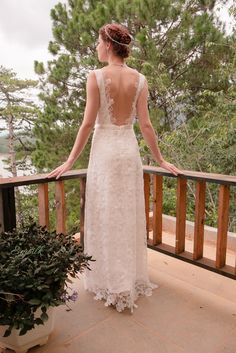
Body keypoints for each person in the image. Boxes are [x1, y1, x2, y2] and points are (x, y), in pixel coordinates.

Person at [47, 23, 182, 313]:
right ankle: (128, 278)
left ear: (108, 45)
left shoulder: (95, 77)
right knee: (128, 214)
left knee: (105, 214)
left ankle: (110, 279)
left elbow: (86, 123)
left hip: (106, 153)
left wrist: (70, 161)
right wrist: (160, 160)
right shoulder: (140, 79)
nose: (96, 47)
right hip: (129, 152)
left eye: (98, 42)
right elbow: (145, 125)